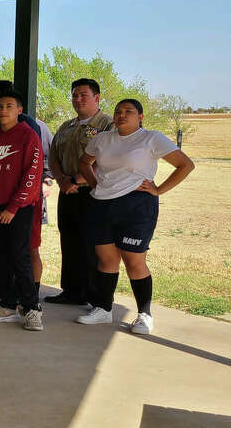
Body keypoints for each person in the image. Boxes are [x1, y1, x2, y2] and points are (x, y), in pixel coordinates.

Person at [75, 99, 194, 334]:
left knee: (134, 261)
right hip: (102, 204)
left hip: (136, 206)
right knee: (106, 260)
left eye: (129, 111)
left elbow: (185, 165)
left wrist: (159, 189)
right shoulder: (102, 139)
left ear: (140, 116)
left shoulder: (151, 138)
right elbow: (84, 162)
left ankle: (144, 315)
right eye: (118, 111)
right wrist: (94, 183)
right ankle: (103, 309)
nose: (122, 115)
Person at [0, 89, 44, 331]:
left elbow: (32, 176)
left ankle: (31, 309)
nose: (2, 110)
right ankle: (7, 305)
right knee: (0, 258)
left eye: (8, 106)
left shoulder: (28, 136)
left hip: (20, 208)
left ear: (19, 110)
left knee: (20, 257)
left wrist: (13, 207)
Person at [46, 78, 114, 306]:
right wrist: (62, 180)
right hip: (67, 191)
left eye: (83, 95)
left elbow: (107, 156)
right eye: (75, 95)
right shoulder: (66, 126)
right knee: (70, 240)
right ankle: (72, 291)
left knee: (92, 243)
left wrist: (79, 178)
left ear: (96, 98)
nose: (78, 99)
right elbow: (53, 156)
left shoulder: (108, 125)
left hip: (93, 191)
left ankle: (95, 296)